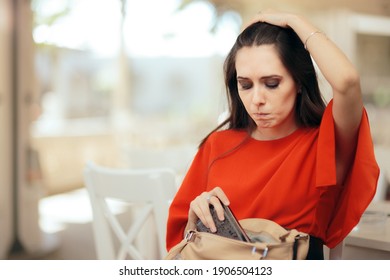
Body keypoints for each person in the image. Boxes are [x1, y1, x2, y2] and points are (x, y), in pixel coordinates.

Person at [166, 10, 380, 259]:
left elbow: (347, 81)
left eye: (271, 84)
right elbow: (178, 246)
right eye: (245, 85)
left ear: (299, 82)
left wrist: (293, 21)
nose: (257, 99)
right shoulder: (217, 145)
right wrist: (195, 216)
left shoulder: (323, 143)